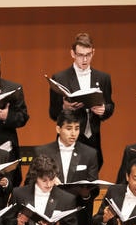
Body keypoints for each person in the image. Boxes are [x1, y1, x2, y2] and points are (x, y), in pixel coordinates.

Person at [48, 33, 115, 168]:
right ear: (73, 54)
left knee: (92, 179)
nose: (84, 59)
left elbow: (110, 105)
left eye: (88, 55)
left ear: (93, 52)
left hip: (93, 139)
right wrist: (64, 107)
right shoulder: (60, 78)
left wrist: (103, 110)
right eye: (80, 55)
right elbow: (52, 113)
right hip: (68, 139)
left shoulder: (103, 78)